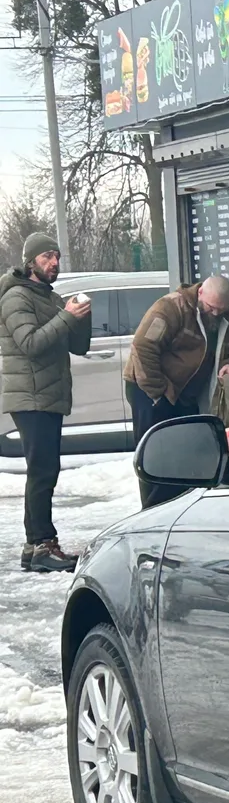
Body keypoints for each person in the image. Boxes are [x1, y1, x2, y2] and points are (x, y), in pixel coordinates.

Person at [2, 232, 92, 573]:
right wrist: (66, 317)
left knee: (45, 469)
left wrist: (80, 318)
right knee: (42, 471)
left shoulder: (50, 297)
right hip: (30, 396)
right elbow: (30, 343)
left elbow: (78, 347)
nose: (53, 262)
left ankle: (34, 545)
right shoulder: (16, 298)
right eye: (46, 257)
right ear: (30, 263)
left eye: (56, 256)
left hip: (48, 394)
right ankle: (42, 544)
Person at [124, 274, 229, 505]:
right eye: (211, 307)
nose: (216, 314)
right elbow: (143, 348)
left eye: (221, 309)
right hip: (149, 390)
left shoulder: (227, 318)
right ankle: (153, 510)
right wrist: (159, 392)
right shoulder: (170, 308)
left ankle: (177, 506)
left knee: (182, 454)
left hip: (186, 394)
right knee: (155, 454)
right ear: (200, 293)